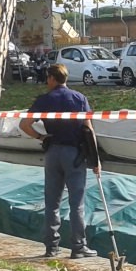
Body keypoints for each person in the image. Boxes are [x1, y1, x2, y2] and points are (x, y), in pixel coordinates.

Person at [20, 63, 100, 259]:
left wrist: (41, 137)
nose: (46, 82)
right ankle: (78, 247)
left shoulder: (44, 100)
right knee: (76, 203)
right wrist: (96, 159)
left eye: (47, 78)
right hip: (75, 155)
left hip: (53, 152)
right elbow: (89, 131)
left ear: (52, 79)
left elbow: (24, 125)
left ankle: (51, 247)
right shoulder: (80, 99)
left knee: (52, 202)